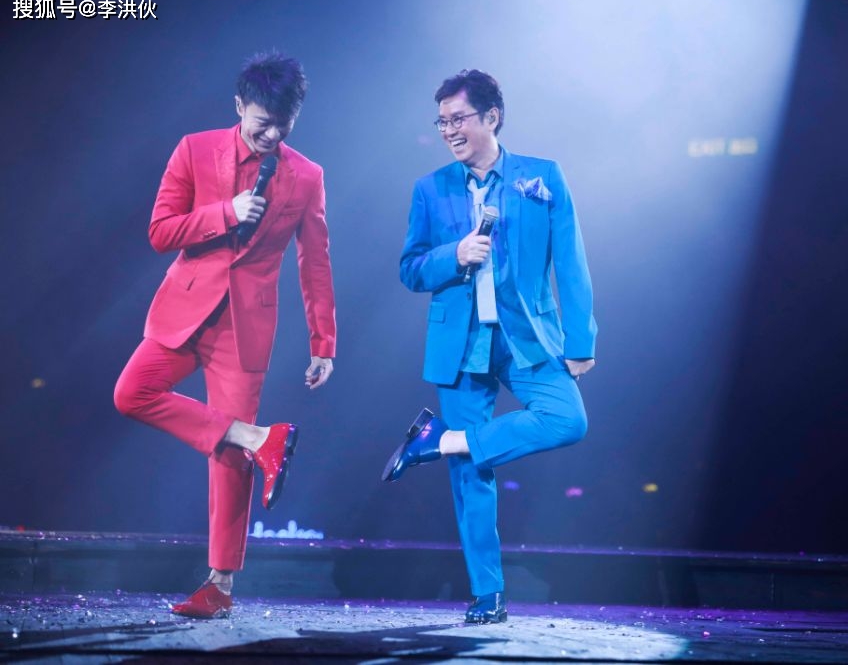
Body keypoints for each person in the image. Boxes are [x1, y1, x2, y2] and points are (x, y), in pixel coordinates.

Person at [113, 52, 336, 619]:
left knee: (231, 459)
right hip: (185, 309)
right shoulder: (194, 149)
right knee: (131, 393)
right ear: (239, 106)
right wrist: (225, 212)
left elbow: (315, 262)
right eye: (263, 122)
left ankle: (220, 586)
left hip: (245, 325)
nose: (273, 135)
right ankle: (258, 436)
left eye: (284, 124)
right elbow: (161, 231)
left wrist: (323, 343)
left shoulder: (307, 175)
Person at [382, 69, 597, 623]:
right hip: (461, 342)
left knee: (567, 419)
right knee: (470, 473)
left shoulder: (542, 177)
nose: (449, 131)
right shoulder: (430, 188)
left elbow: (570, 261)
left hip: (528, 337)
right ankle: (488, 594)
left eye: (458, 119)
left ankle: (442, 440)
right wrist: (453, 255)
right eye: (442, 122)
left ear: (492, 117)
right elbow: (410, 269)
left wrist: (581, 339)